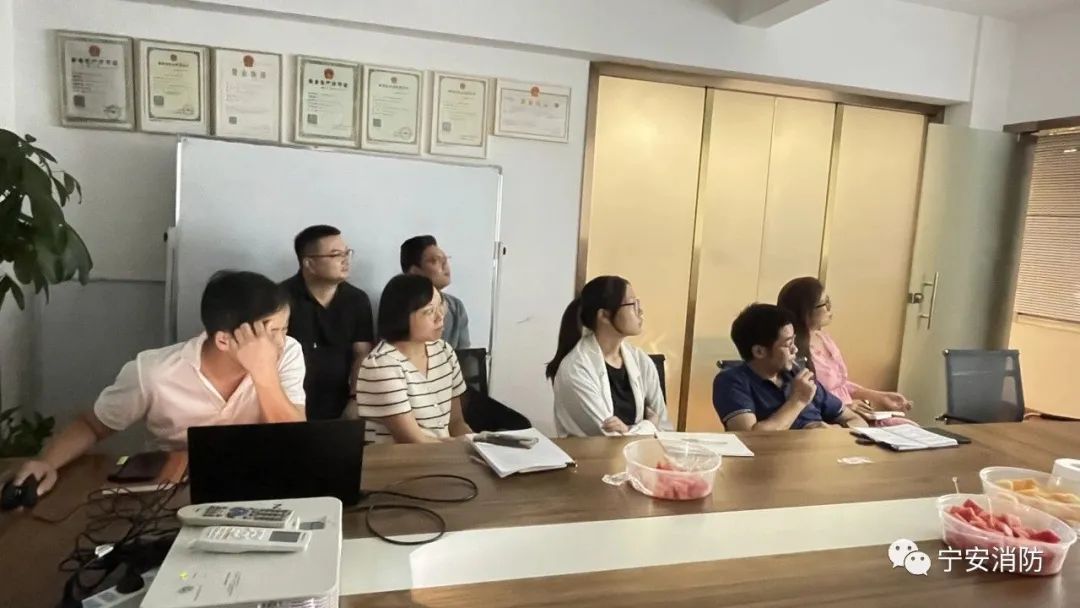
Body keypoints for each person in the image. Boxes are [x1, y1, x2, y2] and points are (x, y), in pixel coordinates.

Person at [11, 271, 306, 496]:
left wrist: (264, 374)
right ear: (224, 340)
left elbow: (294, 440)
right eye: (270, 333)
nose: (280, 342)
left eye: (284, 329)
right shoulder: (153, 372)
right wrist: (46, 463)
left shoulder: (288, 353)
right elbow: (93, 425)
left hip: (259, 485)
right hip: (171, 491)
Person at [348, 274, 473, 443]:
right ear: (402, 317)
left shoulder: (444, 351)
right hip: (403, 457)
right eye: (429, 311)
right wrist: (463, 447)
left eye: (440, 306)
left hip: (443, 453)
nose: (440, 316)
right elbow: (412, 441)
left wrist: (477, 443)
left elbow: (456, 423)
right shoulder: (381, 366)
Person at [546, 275, 672, 437]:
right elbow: (608, 437)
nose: (640, 311)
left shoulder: (641, 361)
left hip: (637, 452)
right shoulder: (576, 369)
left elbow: (664, 428)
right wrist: (649, 424)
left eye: (638, 303)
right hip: (592, 453)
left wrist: (629, 431)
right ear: (604, 315)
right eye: (632, 304)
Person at [777, 277, 914, 424]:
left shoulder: (823, 338)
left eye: (829, 301)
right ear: (806, 311)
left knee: (909, 427)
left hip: (852, 415)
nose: (829, 308)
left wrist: (879, 396)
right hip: (829, 420)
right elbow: (808, 399)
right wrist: (845, 407)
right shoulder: (793, 351)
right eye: (825, 303)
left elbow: (840, 384)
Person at [714, 303, 867, 431]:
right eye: (788, 344)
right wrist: (798, 401)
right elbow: (749, 437)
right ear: (759, 351)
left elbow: (855, 420)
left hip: (820, 452)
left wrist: (831, 431)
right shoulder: (732, 381)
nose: (795, 349)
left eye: (794, 341)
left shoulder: (798, 375)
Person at [282, 225, 374, 420]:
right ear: (309, 263)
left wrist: (355, 399)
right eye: (335, 255)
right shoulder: (280, 299)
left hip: (343, 403)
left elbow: (362, 353)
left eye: (347, 253)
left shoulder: (357, 299)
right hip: (291, 403)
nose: (345, 260)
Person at [400, 235, 470, 350]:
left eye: (445, 260)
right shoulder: (399, 305)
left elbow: (466, 354)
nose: (445, 265)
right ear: (414, 271)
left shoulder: (456, 306)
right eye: (435, 261)